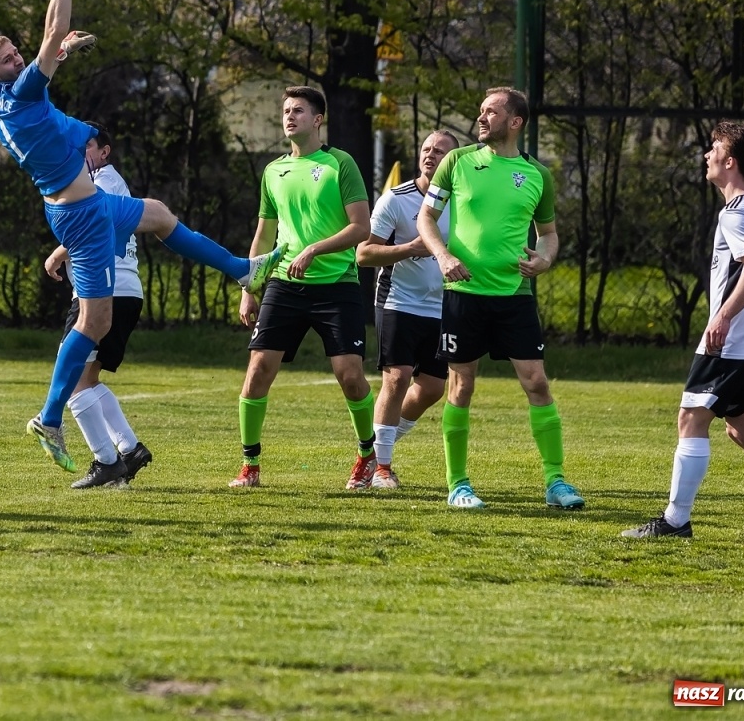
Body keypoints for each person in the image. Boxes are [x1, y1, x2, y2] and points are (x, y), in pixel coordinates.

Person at [0, 0, 283, 473]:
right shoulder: (21, 95)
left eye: (17, 55)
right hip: (83, 215)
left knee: (159, 213)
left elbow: (46, 58)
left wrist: (61, 52)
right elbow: (50, 32)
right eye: (8, 60)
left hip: (83, 205)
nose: (18, 60)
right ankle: (49, 417)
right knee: (93, 324)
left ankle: (242, 270)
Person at [621, 123, 744, 541]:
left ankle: (675, 519)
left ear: (730, 161)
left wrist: (721, 317)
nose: (706, 155)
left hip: (733, 337)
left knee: (691, 417)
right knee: (742, 428)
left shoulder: (737, 211)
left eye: (713, 149)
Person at [415, 87, 585, 511]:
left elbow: (548, 235)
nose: (481, 117)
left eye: (491, 111)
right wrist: (443, 254)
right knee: (461, 384)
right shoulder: (457, 162)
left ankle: (556, 482)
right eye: (480, 111)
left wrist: (544, 261)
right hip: (464, 294)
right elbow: (426, 217)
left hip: (514, 296)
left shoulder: (536, 175)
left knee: (537, 383)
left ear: (515, 122)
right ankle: (458, 484)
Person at [232, 86, 373, 489]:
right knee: (257, 371)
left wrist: (314, 248)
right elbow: (263, 236)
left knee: (349, 376)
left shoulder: (340, 164)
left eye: (298, 111)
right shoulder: (273, 171)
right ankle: (249, 466)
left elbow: (361, 228)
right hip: (284, 284)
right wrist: (249, 286)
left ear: (318, 119)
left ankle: (366, 454)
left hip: (337, 285)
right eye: (286, 110)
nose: (289, 116)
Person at [43, 124, 153, 489]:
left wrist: (57, 254)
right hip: (125, 290)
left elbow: (90, 224)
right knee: (87, 379)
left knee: (73, 380)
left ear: (104, 152)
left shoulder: (101, 181)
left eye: (88, 146)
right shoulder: (108, 181)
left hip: (103, 292)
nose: (80, 153)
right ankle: (129, 449)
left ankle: (107, 462)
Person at [355, 129, 459, 489]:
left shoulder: (465, 202)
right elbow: (364, 254)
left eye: (440, 151)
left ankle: (374, 447)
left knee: (431, 389)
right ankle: (382, 467)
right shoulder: (396, 200)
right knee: (397, 378)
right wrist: (409, 249)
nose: (431, 155)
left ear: (454, 161)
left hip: (444, 307)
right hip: (399, 301)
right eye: (426, 149)